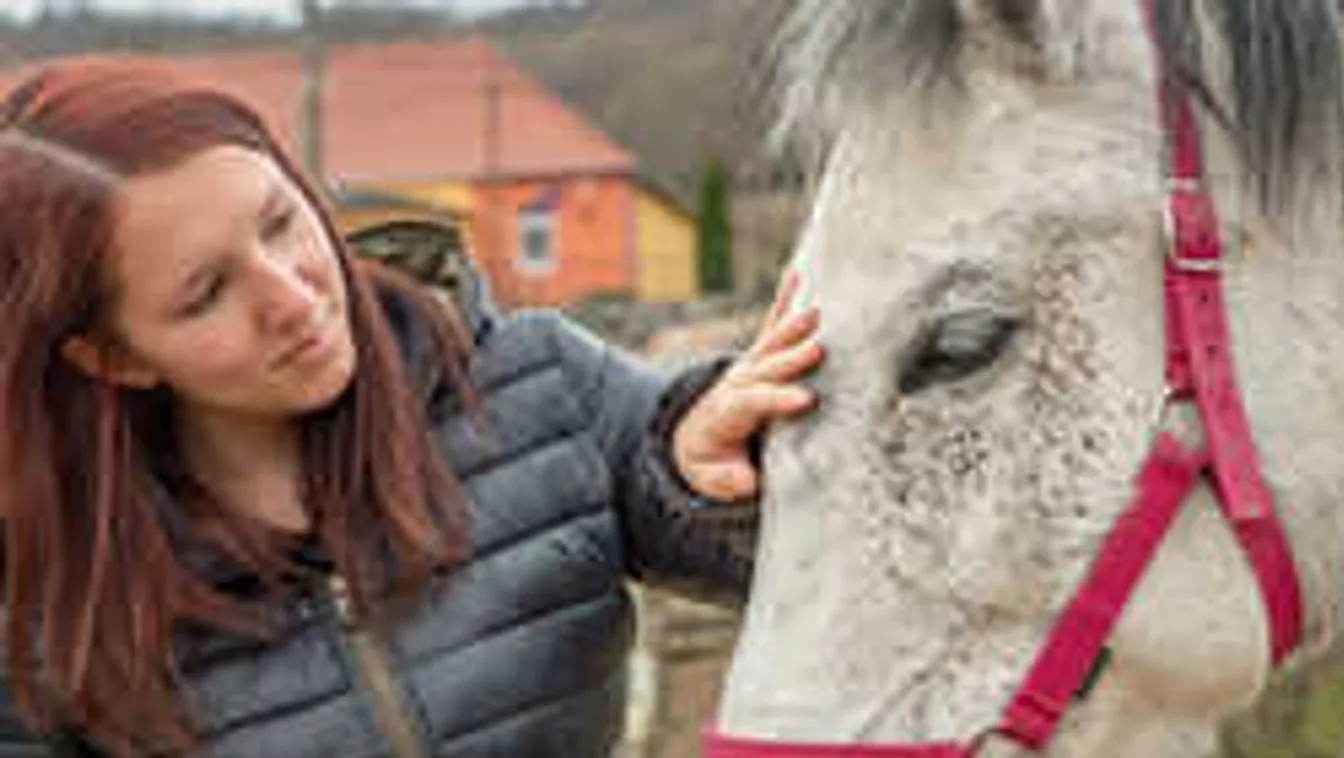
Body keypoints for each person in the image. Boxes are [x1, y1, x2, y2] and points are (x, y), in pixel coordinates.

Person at [0, 57, 823, 758]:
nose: (291, 297)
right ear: (113, 356)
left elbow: (829, 566)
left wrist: (716, 475)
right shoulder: (46, 607)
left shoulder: (532, 382)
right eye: (207, 292)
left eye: (281, 221)